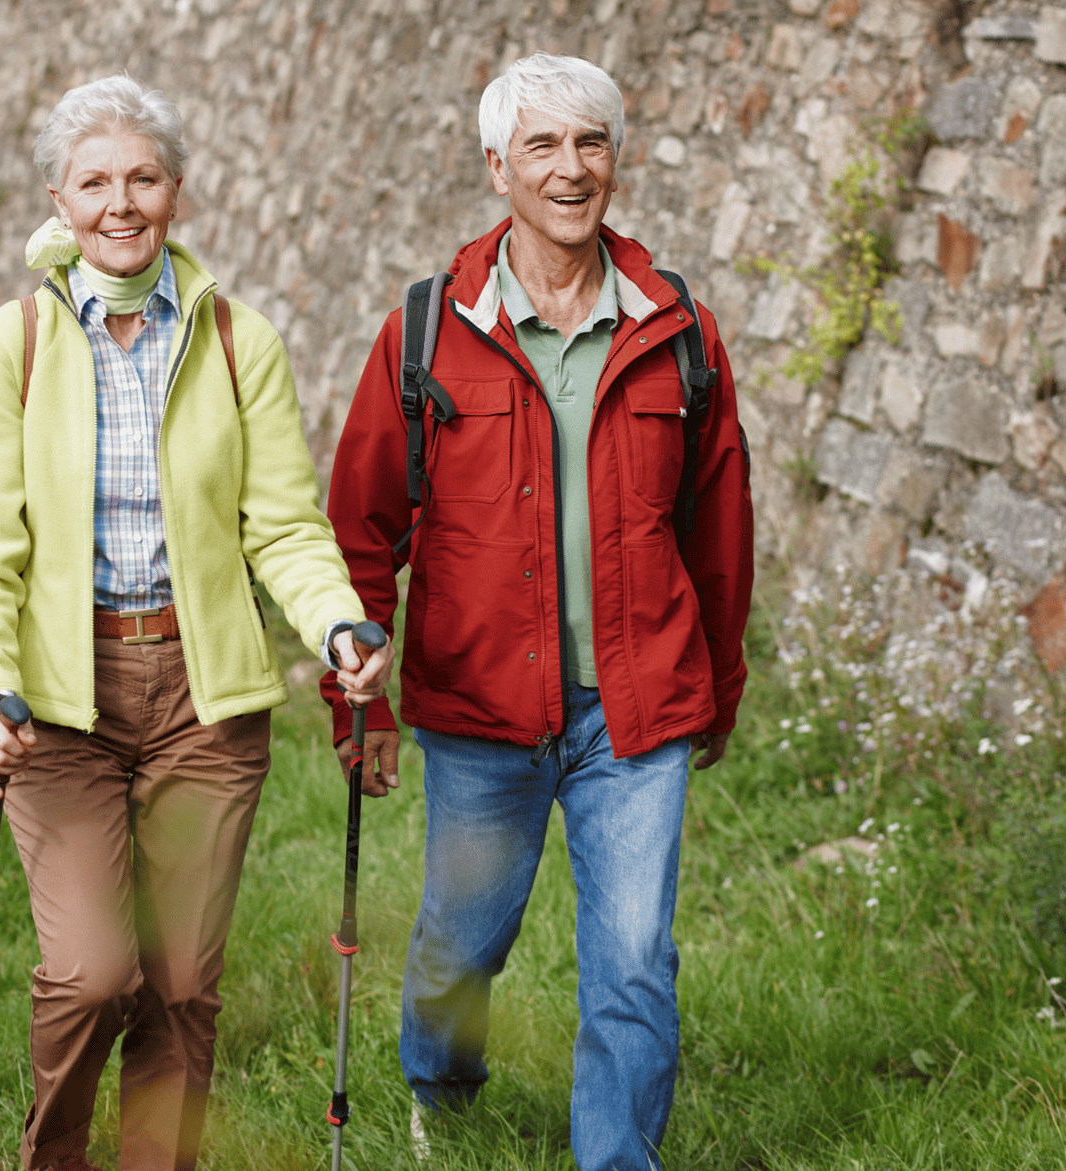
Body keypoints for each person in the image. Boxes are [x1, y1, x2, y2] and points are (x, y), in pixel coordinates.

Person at [0, 74, 391, 1171]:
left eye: (141, 177)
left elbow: (282, 523)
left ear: (176, 192)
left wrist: (337, 626)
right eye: (94, 181)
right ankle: (53, 1159)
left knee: (183, 980)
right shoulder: (15, 346)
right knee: (95, 971)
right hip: (58, 702)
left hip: (204, 698)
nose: (120, 202)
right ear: (59, 197)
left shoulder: (241, 341)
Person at [320, 53, 753, 1171]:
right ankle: (439, 1087)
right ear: (496, 166)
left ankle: (614, 1158)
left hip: (637, 709)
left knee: (631, 961)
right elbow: (362, 529)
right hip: (477, 710)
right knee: (459, 946)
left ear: (617, 160)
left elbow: (718, 534)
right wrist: (353, 703)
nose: (571, 170)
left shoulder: (679, 329)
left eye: (591, 144)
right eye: (545, 147)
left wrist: (720, 687)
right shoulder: (425, 331)